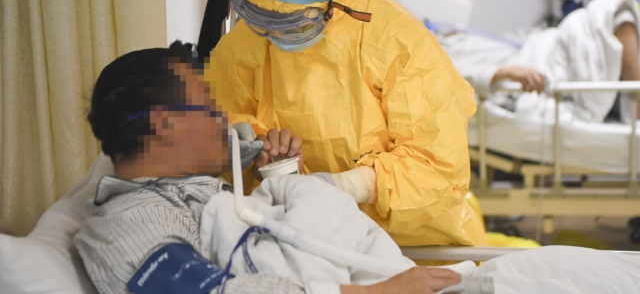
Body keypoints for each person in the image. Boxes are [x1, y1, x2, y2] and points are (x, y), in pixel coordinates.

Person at [74, 48, 462, 294]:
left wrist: (282, 186)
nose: (221, 121)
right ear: (165, 125)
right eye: (208, 110)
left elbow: (284, 252)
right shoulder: (129, 224)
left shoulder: (202, 194)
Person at [205, 0, 485, 247]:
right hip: (304, 238)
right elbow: (217, 126)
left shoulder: (397, 43)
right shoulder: (244, 43)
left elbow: (438, 168)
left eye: (292, 23)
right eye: (261, 19)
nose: (273, 34)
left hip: (415, 246)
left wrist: (345, 186)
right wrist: (257, 158)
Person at [441, 0, 640, 123]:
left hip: (547, 45)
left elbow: (517, 38)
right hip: (542, 64)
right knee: (611, 6)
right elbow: (452, 80)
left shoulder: (453, 34)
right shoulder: (436, 53)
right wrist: (508, 72)